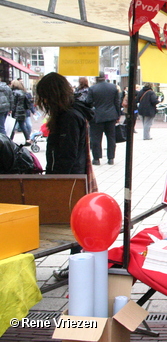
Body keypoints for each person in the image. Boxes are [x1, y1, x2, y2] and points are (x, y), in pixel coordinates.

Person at [35, 72, 96, 280]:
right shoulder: (72, 112)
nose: (42, 101)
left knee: (73, 224)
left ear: (53, 95)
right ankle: (78, 265)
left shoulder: (69, 117)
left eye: (44, 96)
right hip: (74, 177)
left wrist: (55, 180)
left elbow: (67, 154)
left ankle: (77, 266)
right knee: (75, 223)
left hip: (69, 180)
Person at [87, 73, 121, 165]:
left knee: (96, 138)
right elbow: (117, 102)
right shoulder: (113, 87)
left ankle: (96, 159)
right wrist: (118, 115)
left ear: (96, 78)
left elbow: (88, 102)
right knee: (111, 138)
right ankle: (111, 158)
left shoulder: (92, 88)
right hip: (111, 116)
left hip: (97, 117)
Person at [10, 80, 32, 144]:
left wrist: (11, 110)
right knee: (22, 126)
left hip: (16, 111)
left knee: (13, 126)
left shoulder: (14, 92)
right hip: (22, 111)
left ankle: (10, 140)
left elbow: (13, 103)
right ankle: (28, 139)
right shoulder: (23, 92)